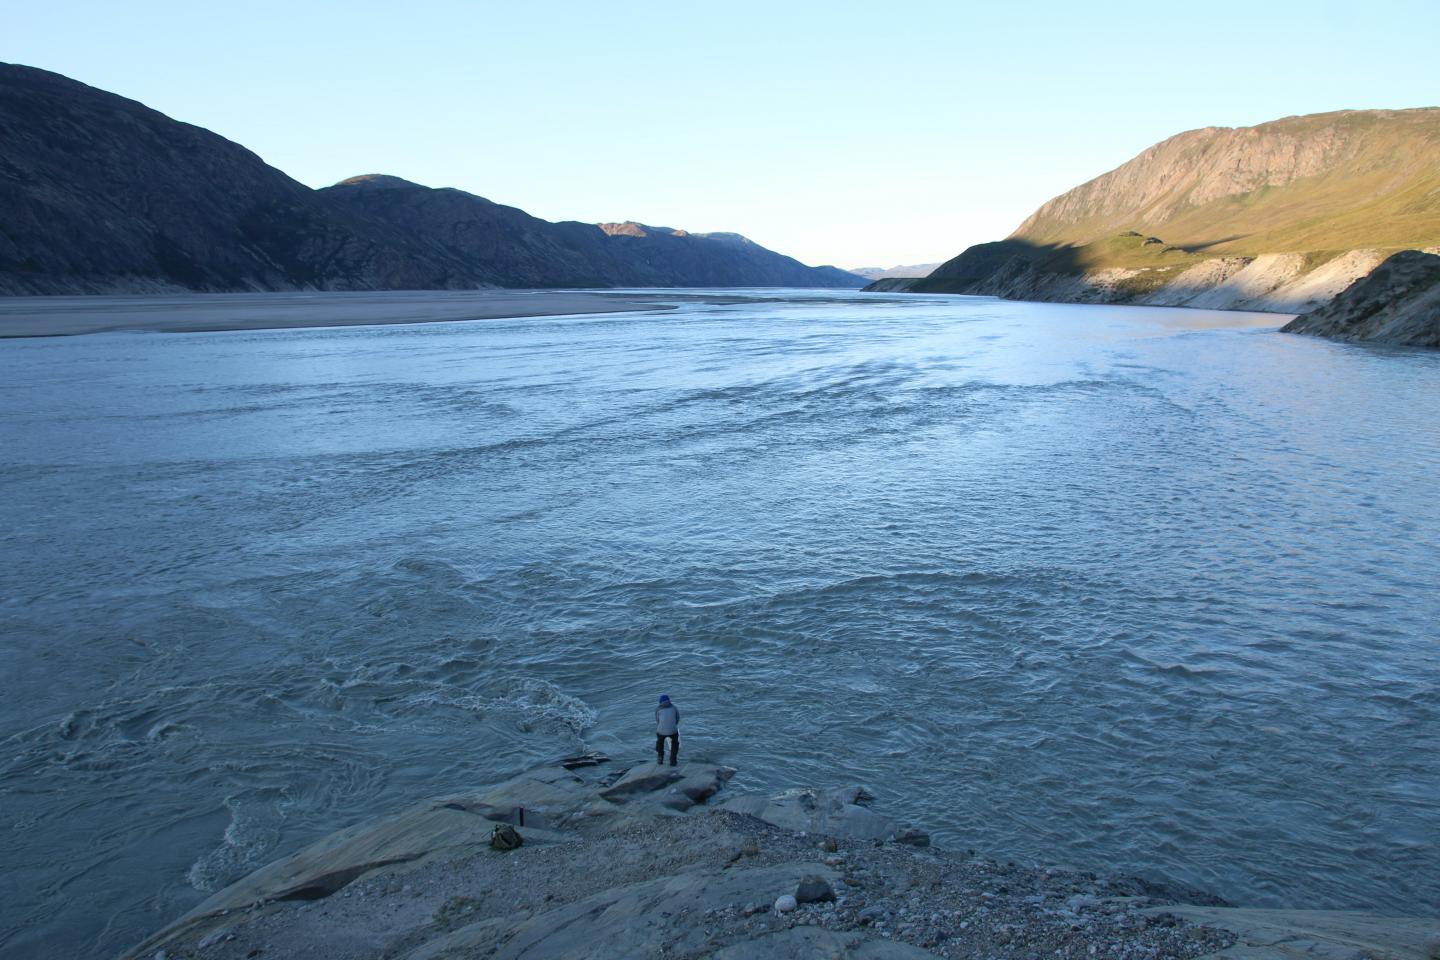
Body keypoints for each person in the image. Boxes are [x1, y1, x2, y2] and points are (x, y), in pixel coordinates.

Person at [655, 694, 680, 766]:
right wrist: (672, 725)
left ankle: (660, 758)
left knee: (660, 742)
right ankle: (673, 761)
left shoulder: (658, 708)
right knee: (675, 743)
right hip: (673, 730)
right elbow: (677, 718)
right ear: (669, 700)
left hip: (661, 731)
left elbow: (657, 720)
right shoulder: (674, 707)